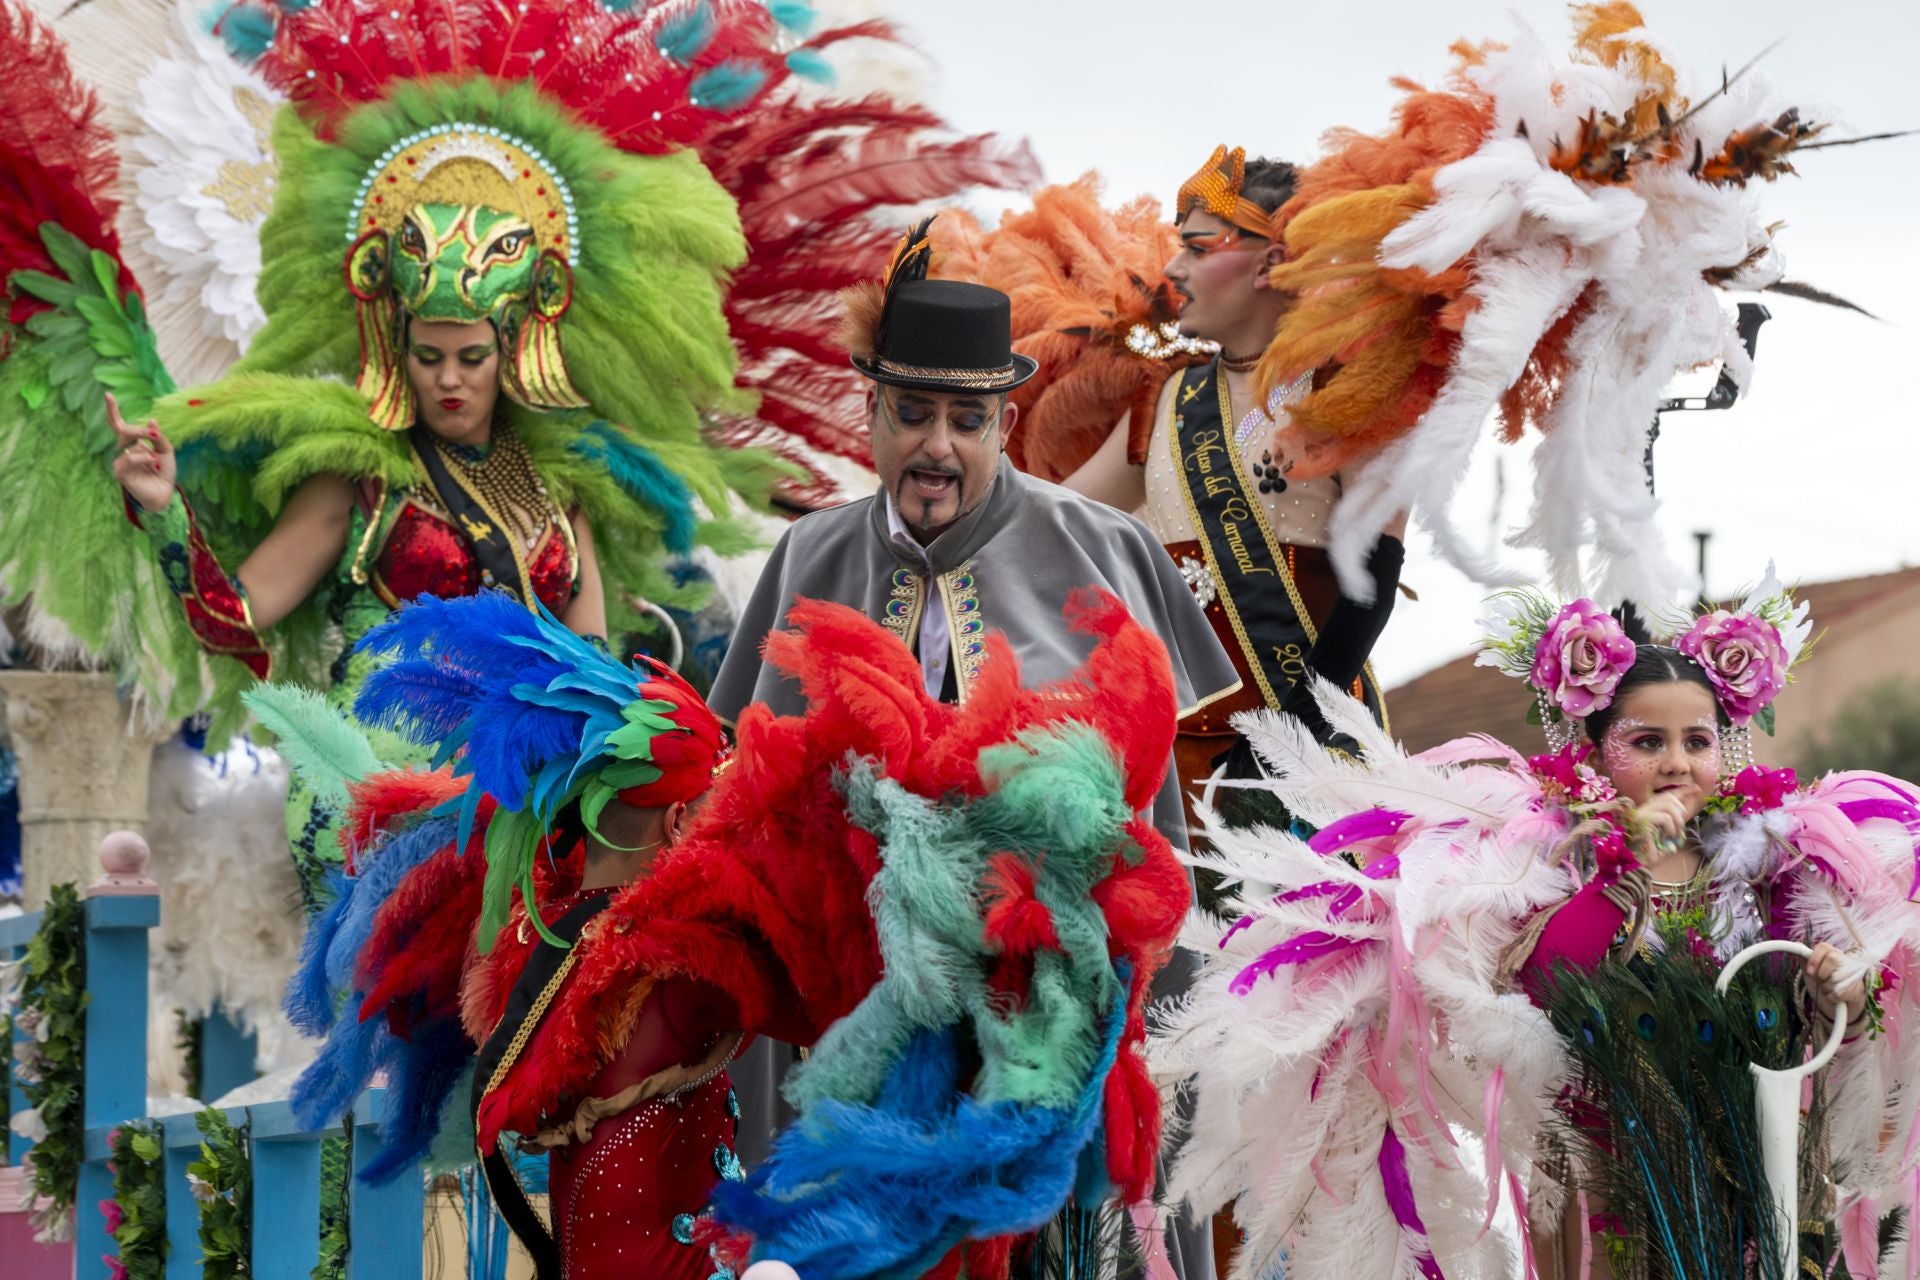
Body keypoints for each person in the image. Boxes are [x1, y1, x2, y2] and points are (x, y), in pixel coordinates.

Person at [708, 218, 1240, 1280]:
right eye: (912, 413)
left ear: (1005, 419)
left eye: (966, 418)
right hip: (850, 1008)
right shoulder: (808, 554)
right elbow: (750, 797)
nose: (937, 447)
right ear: (871, 413)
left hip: (1046, 1015)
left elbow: (1160, 819)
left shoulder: (1106, 547)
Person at [1154, 572, 1920, 1276]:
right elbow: (1546, 980)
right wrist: (1627, 865)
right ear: (1594, 752)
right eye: (1647, 742)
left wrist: (1837, 994)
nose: (1678, 763)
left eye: (1698, 741)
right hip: (1610, 1185)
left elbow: (1817, 1022)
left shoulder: (1767, 872)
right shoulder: (1559, 865)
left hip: (1768, 1180)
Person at [1056, 145, 1405, 776]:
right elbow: (1053, 518)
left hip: (1315, 755)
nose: (1172, 266)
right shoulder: (1167, 397)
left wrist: (1299, 734)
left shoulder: (1347, 390)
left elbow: (1373, 578)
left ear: (1269, 264)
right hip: (1171, 760)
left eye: (1196, 247)